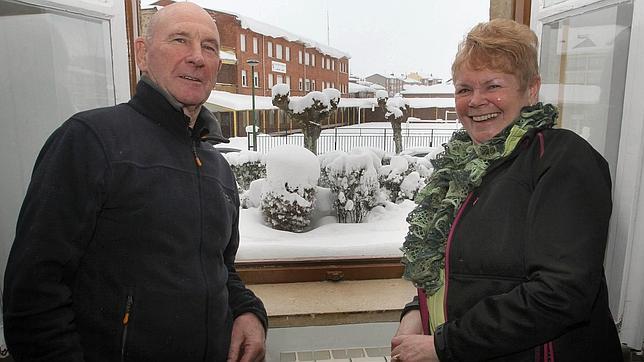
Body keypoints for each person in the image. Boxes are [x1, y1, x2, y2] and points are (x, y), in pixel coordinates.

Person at [2, 3, 267, 361]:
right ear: (143, 54)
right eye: (179, 40)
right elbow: (33, 294)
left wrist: (248, 311)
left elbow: (220, 269)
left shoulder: (216, 167)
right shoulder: (90, 140)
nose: (196, 57)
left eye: (209, 46)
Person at [391, 19, 622, 362]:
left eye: (493, 86)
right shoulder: (463, 167)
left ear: (531, 90)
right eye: (464, 89)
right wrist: (415, 313)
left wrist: (445, 345)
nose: (476, 101)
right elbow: (463, 267)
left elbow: (561, 294)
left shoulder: (562, 159)